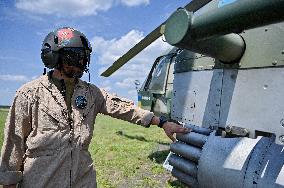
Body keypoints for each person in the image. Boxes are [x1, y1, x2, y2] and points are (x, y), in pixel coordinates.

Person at [0, 27, 190, 188]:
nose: (81, 62)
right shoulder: (29, 94)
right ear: (54, 57)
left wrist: (162, 122)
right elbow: (13, 142)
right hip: (42, 181)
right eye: (74, 57)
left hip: (83, 180)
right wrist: (8, 182)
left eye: (84, 57)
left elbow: (123, 108)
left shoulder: (91, 93)